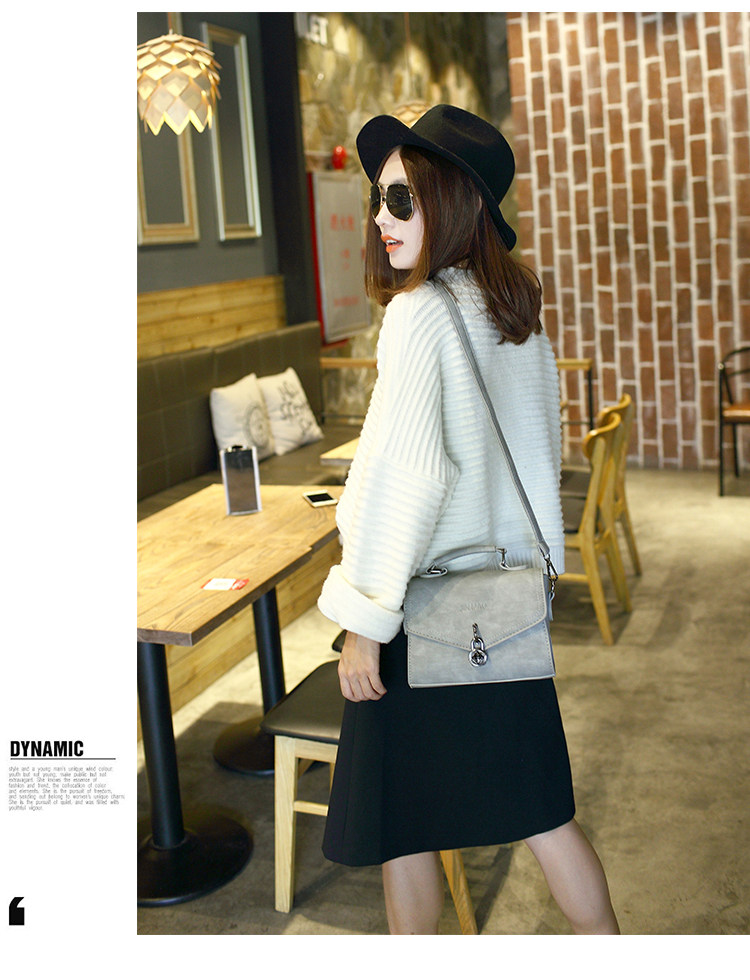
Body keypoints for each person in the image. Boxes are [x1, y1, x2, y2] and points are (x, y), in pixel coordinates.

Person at [317, 104, 619, 936]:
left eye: (401, 200)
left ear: (450, 200)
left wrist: (364, 623)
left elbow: (403, 478)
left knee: (403, 824)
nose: (381, 218)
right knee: (544, 814)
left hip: (425, 616)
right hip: (504, 613)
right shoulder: (513, 310)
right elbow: (537, 458)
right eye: (378, 199)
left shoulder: (420, 313)